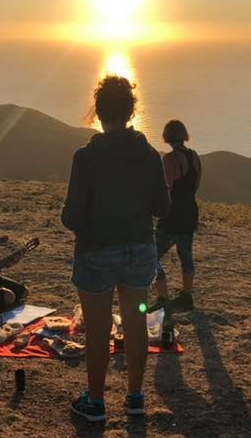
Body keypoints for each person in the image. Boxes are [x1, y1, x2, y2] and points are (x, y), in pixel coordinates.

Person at [62, 76, 170, 422]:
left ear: (97, 111)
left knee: (98, 328)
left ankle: (95, 403)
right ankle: (136, 398)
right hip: (140, 250)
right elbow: (162, 208)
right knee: (135, 323)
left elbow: (72, 217)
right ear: (131, 110)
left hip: (96, 252)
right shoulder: (149, 155)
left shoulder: (86, 157)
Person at [151, 120, 202, 312]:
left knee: (152, 255)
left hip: (172, 214)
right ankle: (186, 296)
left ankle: (163, 298)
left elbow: (167, 188)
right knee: (185, 255)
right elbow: (195, 185)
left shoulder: (170, 159)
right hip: (190, 211)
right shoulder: (195, 156)